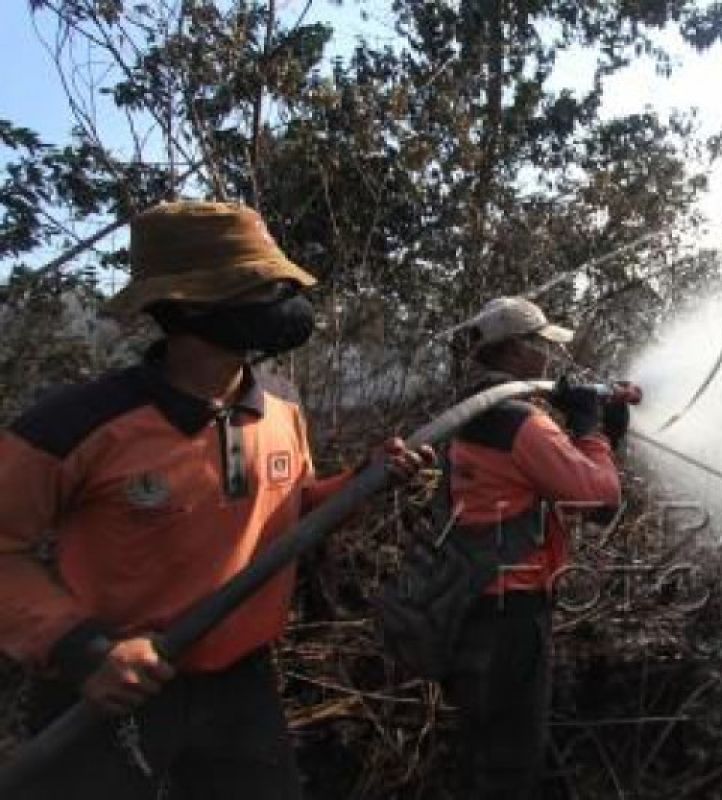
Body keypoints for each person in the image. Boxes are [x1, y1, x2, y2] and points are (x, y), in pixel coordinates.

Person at [0, 201, 431, 799]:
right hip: (112, 690)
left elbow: (293, 513)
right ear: (191, 305)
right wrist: (83, 649)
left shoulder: (280, 405)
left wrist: (365, 480)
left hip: (239, 686)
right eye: (263, 286)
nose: (285, 301)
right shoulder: (76, 425)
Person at [443, 296, 626, 798]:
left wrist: (601, 431)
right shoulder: (522, 423)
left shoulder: (471, 414)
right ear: (517, 351)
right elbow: (601, 501)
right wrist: (590, 427)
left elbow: (547, 484)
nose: (550, 357)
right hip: (512, 622)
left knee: (485, 755)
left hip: (472, 608)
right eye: (542, 345)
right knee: (510, 768)